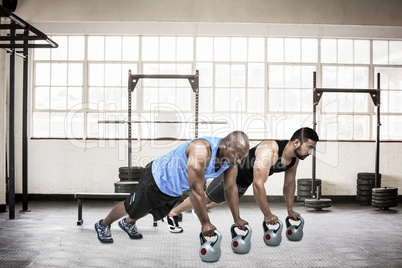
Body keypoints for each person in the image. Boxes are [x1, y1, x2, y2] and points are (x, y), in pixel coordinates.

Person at [94, 131, 250, 243]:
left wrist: (237, 219)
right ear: (226, 145)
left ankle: (127, 223)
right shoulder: (201, 150)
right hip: (156, 178)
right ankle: (103, 225)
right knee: (131, 206)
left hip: (174, 188)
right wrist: (205, 223)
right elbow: (196, 191)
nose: (238, 161)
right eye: (237, 156)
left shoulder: (230, 162)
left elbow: (230, 189)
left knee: (149, 208)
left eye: (242, 158)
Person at [167, 127, 319, 233]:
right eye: (309, 147)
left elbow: (289, 185)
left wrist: (289, 209)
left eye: (312, 149)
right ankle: (173, 213)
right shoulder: (269, 150)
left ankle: (197, 210)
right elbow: (258, 185)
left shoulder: (294, 159)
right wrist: (267, 214)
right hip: (233, 174)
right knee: (207, 198)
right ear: (297, 142)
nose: (310, 152)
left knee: (217, 201)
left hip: (244, 182)